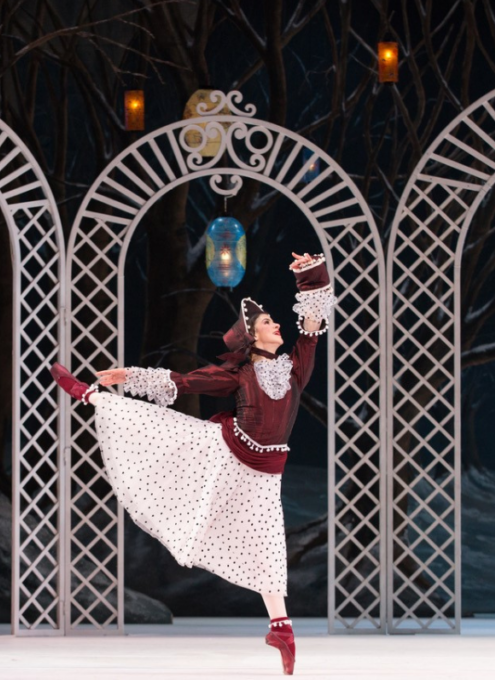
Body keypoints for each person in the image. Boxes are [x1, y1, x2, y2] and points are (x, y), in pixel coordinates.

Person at [51, 252, 335, 676]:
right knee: (163, 431)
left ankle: (281, 628)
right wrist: (128, 375)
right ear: (253, 339)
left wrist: (311, 274)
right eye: (266, 323)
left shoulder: (296, 368)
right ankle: (89, 396)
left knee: (269, 546)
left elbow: (311, 325)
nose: (276, 324)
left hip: (266, 472)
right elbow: (182, 382)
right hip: (225, 452)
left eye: (275, 321)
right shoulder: (238, 375)